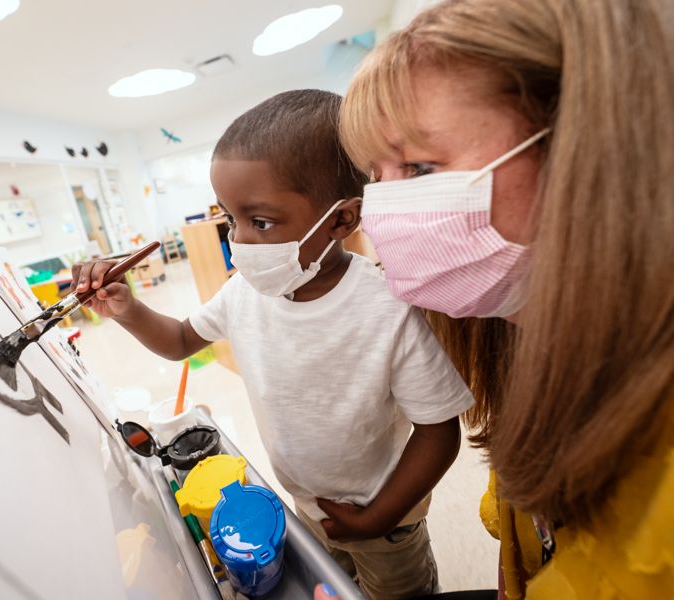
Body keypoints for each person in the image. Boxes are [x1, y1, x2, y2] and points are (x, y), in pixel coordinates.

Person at [73, 89, 474, 599]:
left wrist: (378, 517)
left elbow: (439, 430)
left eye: (260, 222)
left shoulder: (388, 307)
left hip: (387, 516)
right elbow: (178, 341)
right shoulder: (244, 292)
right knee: (331, 585)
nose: (238, 241)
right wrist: (127, 309)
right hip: (305, 502)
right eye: (230, 219)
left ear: (342, 221)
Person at [339, 0, 673, 597]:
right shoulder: (519, 344)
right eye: (374, 173)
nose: (381, 208)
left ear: (580, 147)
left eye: (418, 166)